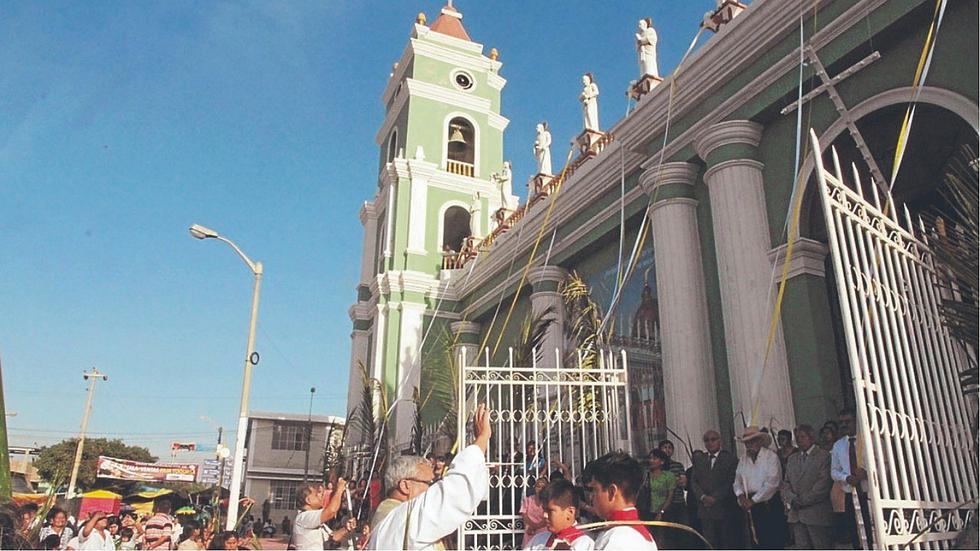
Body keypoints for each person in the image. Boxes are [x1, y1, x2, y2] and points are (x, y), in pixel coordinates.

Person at [367, 403, 492, 550]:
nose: (433, 488)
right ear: (405, 486)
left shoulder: (389, 518)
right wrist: (482, 438)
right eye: (429, 483)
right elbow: (456, 494)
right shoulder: (405, 518)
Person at [583, 451, 657, 550]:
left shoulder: (620, 537)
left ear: (612, 492)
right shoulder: (632, 532)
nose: (592, 497)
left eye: (594, 489)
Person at [781, 424, 833, 549]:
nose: (799, 440)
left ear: (811, 437)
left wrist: (803, 501)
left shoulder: (823, 456)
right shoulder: (792, 459)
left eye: (803, 437)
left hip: (816, 513)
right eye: (797, 437)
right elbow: (785, 483)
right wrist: (792, 499)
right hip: (796, 514)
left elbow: (823, 485)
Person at [733, 427, 784, 549]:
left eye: (753, 441)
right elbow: (737, 481)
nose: (749, 445)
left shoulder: (771, 457)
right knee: (755, 542)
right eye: (747, 443)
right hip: (749, 504)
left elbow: (772, 483)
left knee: (772, 541)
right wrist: (740, 496)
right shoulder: (743, 460)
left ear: (760, 441)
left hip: (768, 504)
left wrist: (753, 500)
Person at [689, 430, 741, 549]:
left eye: (713, 439)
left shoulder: (730, 459)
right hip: (705, 509)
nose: (710, 443)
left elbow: (731, 482)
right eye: (707, 440)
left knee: (726, 542)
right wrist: (703, 497)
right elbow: (694, 482)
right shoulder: (700, 459)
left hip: (724, 507)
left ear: (720, 441)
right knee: (709, 542)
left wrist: (715, 498)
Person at [831, 407, 873, 549]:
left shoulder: (870, 440)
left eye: (848, 421)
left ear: (856, 421)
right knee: (855, 531)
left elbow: (885, 465)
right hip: (851, 493)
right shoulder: (838, 445)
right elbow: (834, 471)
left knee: (872, 528)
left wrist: (866, 473)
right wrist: (846, 477)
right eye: (841, 422)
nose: (844, 425)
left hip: (870, 493)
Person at [524, 479, 594, 550]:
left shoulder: (584, 544)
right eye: (544, 510)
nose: (545, 515)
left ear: (570, 512)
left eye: (550, 511)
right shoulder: (538, 540)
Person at [293, 480, 355, 550]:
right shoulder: (303, 517)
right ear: (308, 500)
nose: (321, 496)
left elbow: (332, 537)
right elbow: (331, 511)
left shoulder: (316, 521)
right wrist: (339, 489)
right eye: (317, 494)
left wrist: (346, 528)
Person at [520, 476, 549, 547]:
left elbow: (548, 516)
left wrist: (537, 526)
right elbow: (524, 514)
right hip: (530, 531)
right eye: (538, 486)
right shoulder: (528, 500)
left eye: (542, 487)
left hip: (544, 531)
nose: (539, 489)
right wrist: (532, 525)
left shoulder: (548, 501)